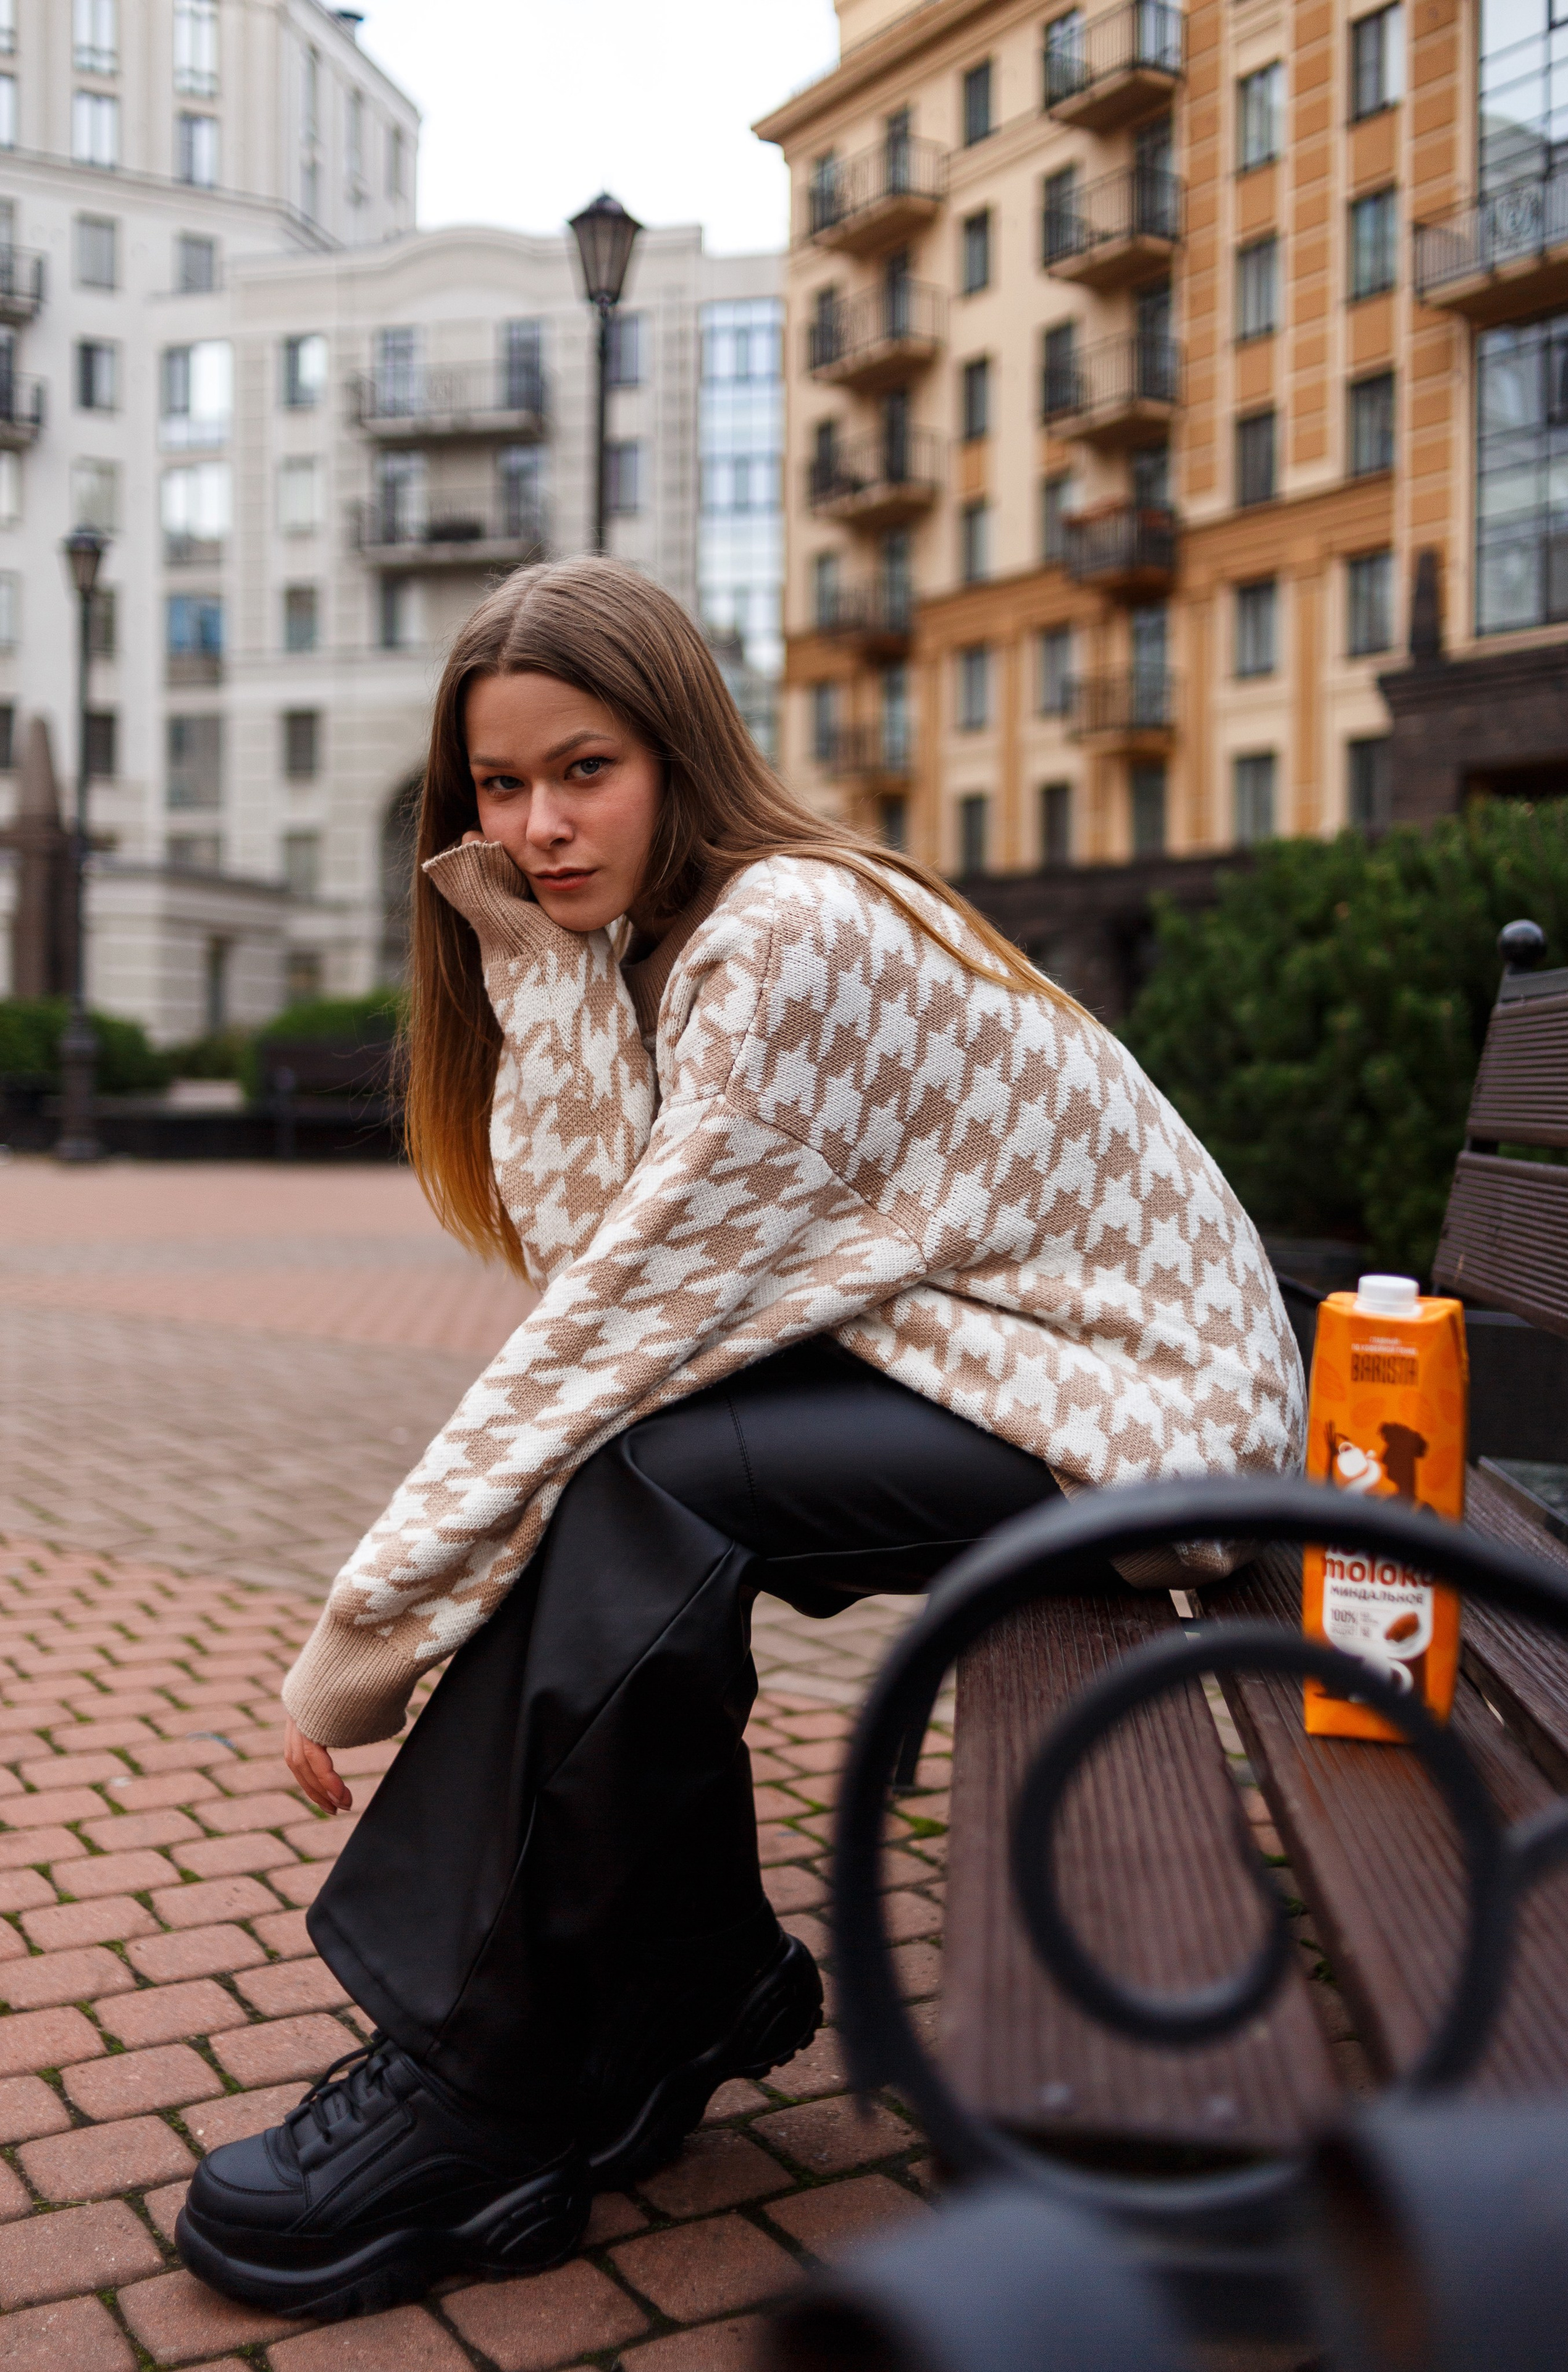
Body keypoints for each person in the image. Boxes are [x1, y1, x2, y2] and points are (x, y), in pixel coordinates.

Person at [176, 557, 1305, 2320]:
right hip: (1023, 1385)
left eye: (584, 770)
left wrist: (372, 1632)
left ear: (679, 751)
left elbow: (601, 1335)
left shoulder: (784, 935)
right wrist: (545, 974)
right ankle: (655, 1991)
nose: (537, 826)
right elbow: (592, 1252)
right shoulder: (675, 941)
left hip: (1149, 1427)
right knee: (648, 1485)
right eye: (496, 787)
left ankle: (495, 2072)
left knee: (644, 1467)